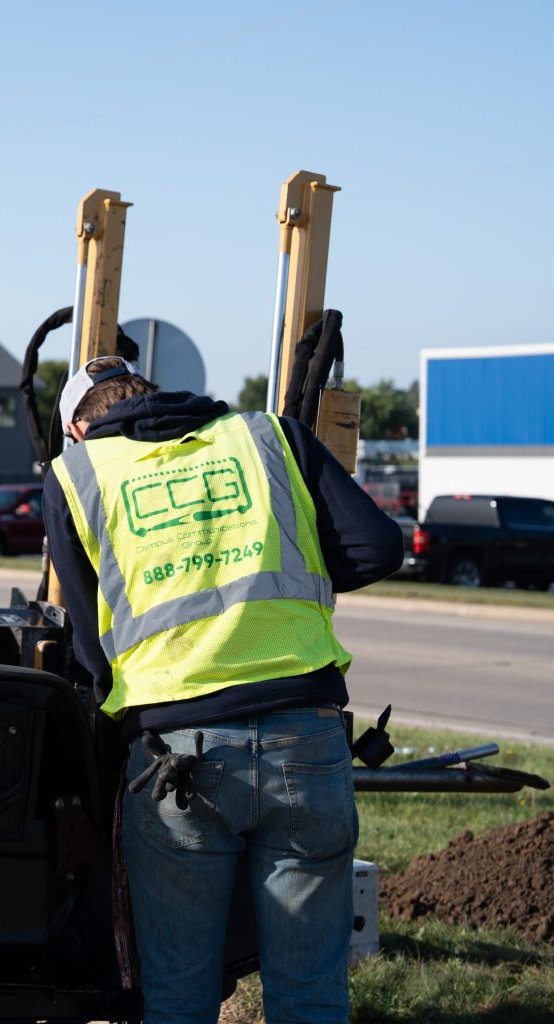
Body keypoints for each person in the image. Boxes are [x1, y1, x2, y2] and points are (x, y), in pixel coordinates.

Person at [39, 356, 402, 1024]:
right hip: (305, 735)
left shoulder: (77, 474)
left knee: (180, 999)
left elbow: (90, 645)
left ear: (77, 430)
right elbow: (379, 547)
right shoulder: (269, 436)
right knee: (311, 997)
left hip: (176, 757)